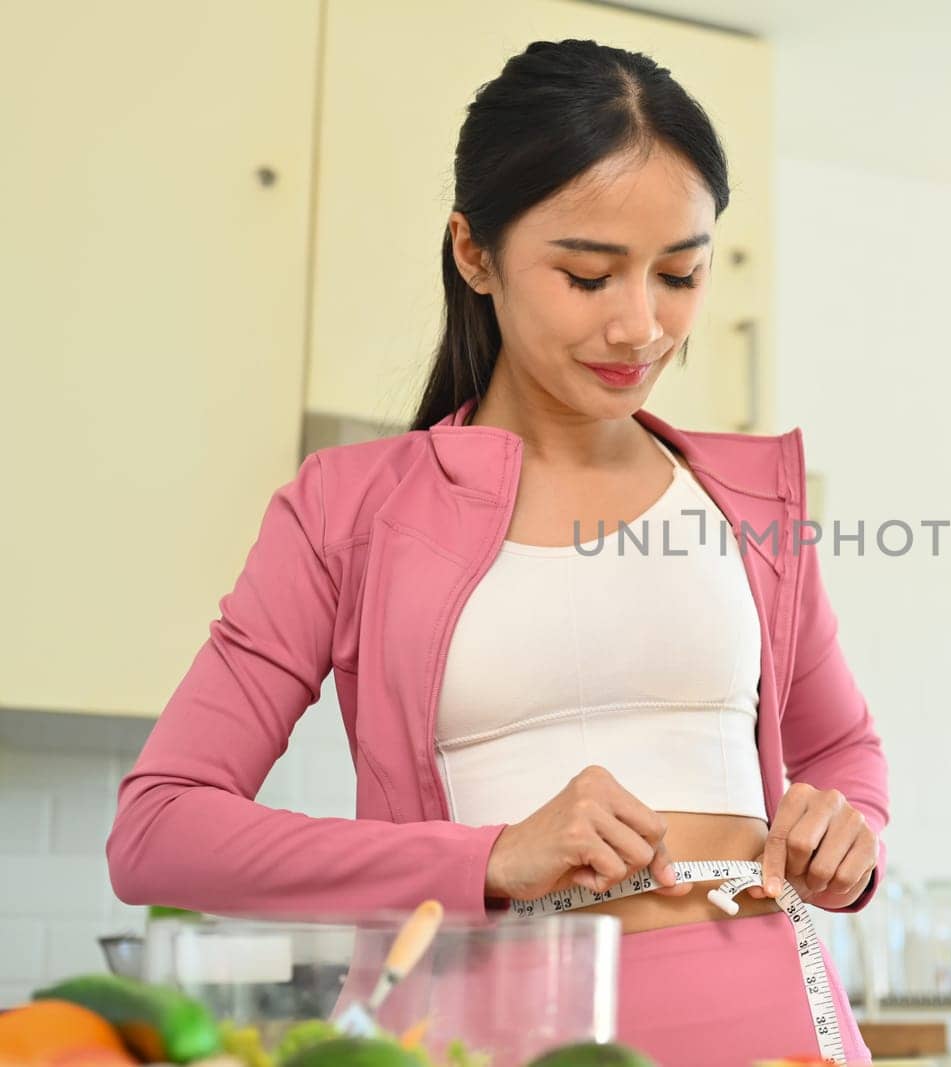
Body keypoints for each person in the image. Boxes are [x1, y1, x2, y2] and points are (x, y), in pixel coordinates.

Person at [105, 38, 889, 1065]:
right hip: (492, 1032)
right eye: (585, 273)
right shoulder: (346, 510)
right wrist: (488, 857)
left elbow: (841, 754)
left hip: (778, 1021)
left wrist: (850, 835)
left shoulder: (750, 501)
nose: (641, 325)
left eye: (680, 274)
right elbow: (159, 830)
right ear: (474, 253)